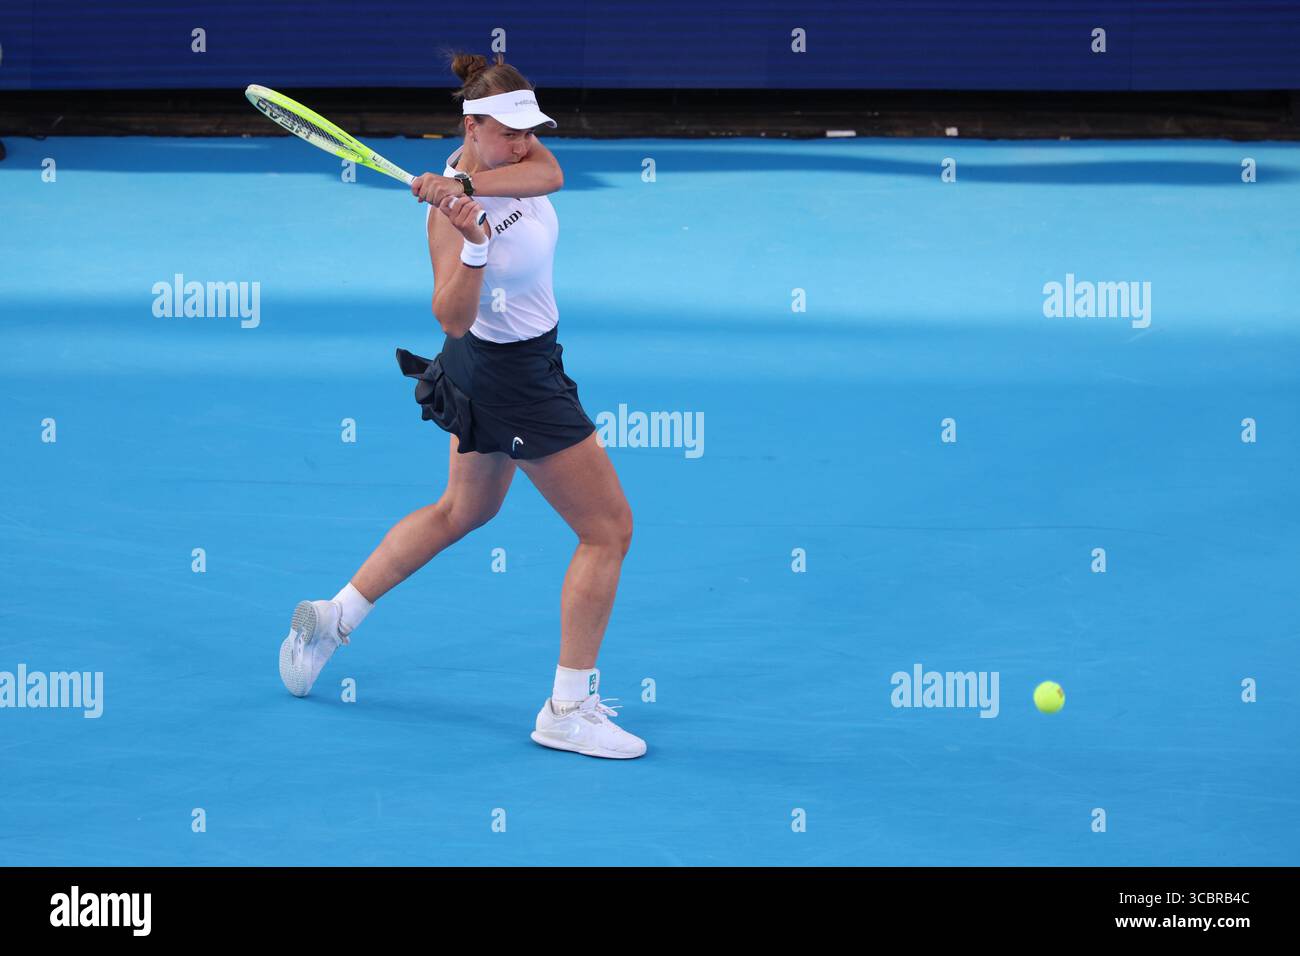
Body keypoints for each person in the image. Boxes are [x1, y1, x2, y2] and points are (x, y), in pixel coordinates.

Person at [277, 52, 645, 759]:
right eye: (511, 133)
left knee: (464, 510)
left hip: (506, 364)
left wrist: (472, 179)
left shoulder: (502, 161)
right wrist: (473, 242)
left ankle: (332, 617)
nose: (527, 143)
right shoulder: (450, 216)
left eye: (529, 130)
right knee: (608, 531)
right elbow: (449, 317)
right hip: (510, 374)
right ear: (472, 126)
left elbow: (553, 175)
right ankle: (568, 707)